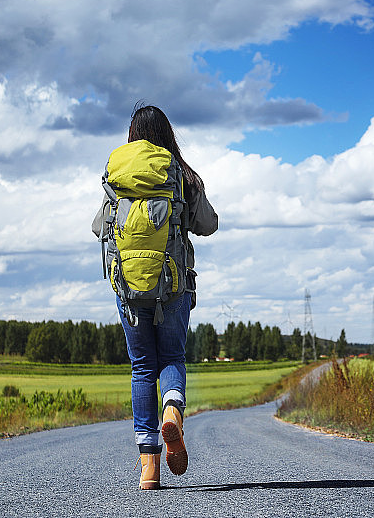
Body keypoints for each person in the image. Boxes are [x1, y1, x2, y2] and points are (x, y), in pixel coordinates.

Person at [94, 104, 218, 489]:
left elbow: (98, 227)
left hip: (128, 288)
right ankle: (172, 413)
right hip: (173, 284)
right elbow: (209, 225)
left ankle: (149, 466)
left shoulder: (117, 175)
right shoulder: (181, 174)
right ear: (168, 134)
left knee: (142, 367)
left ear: (132, 134)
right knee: (172, 357)